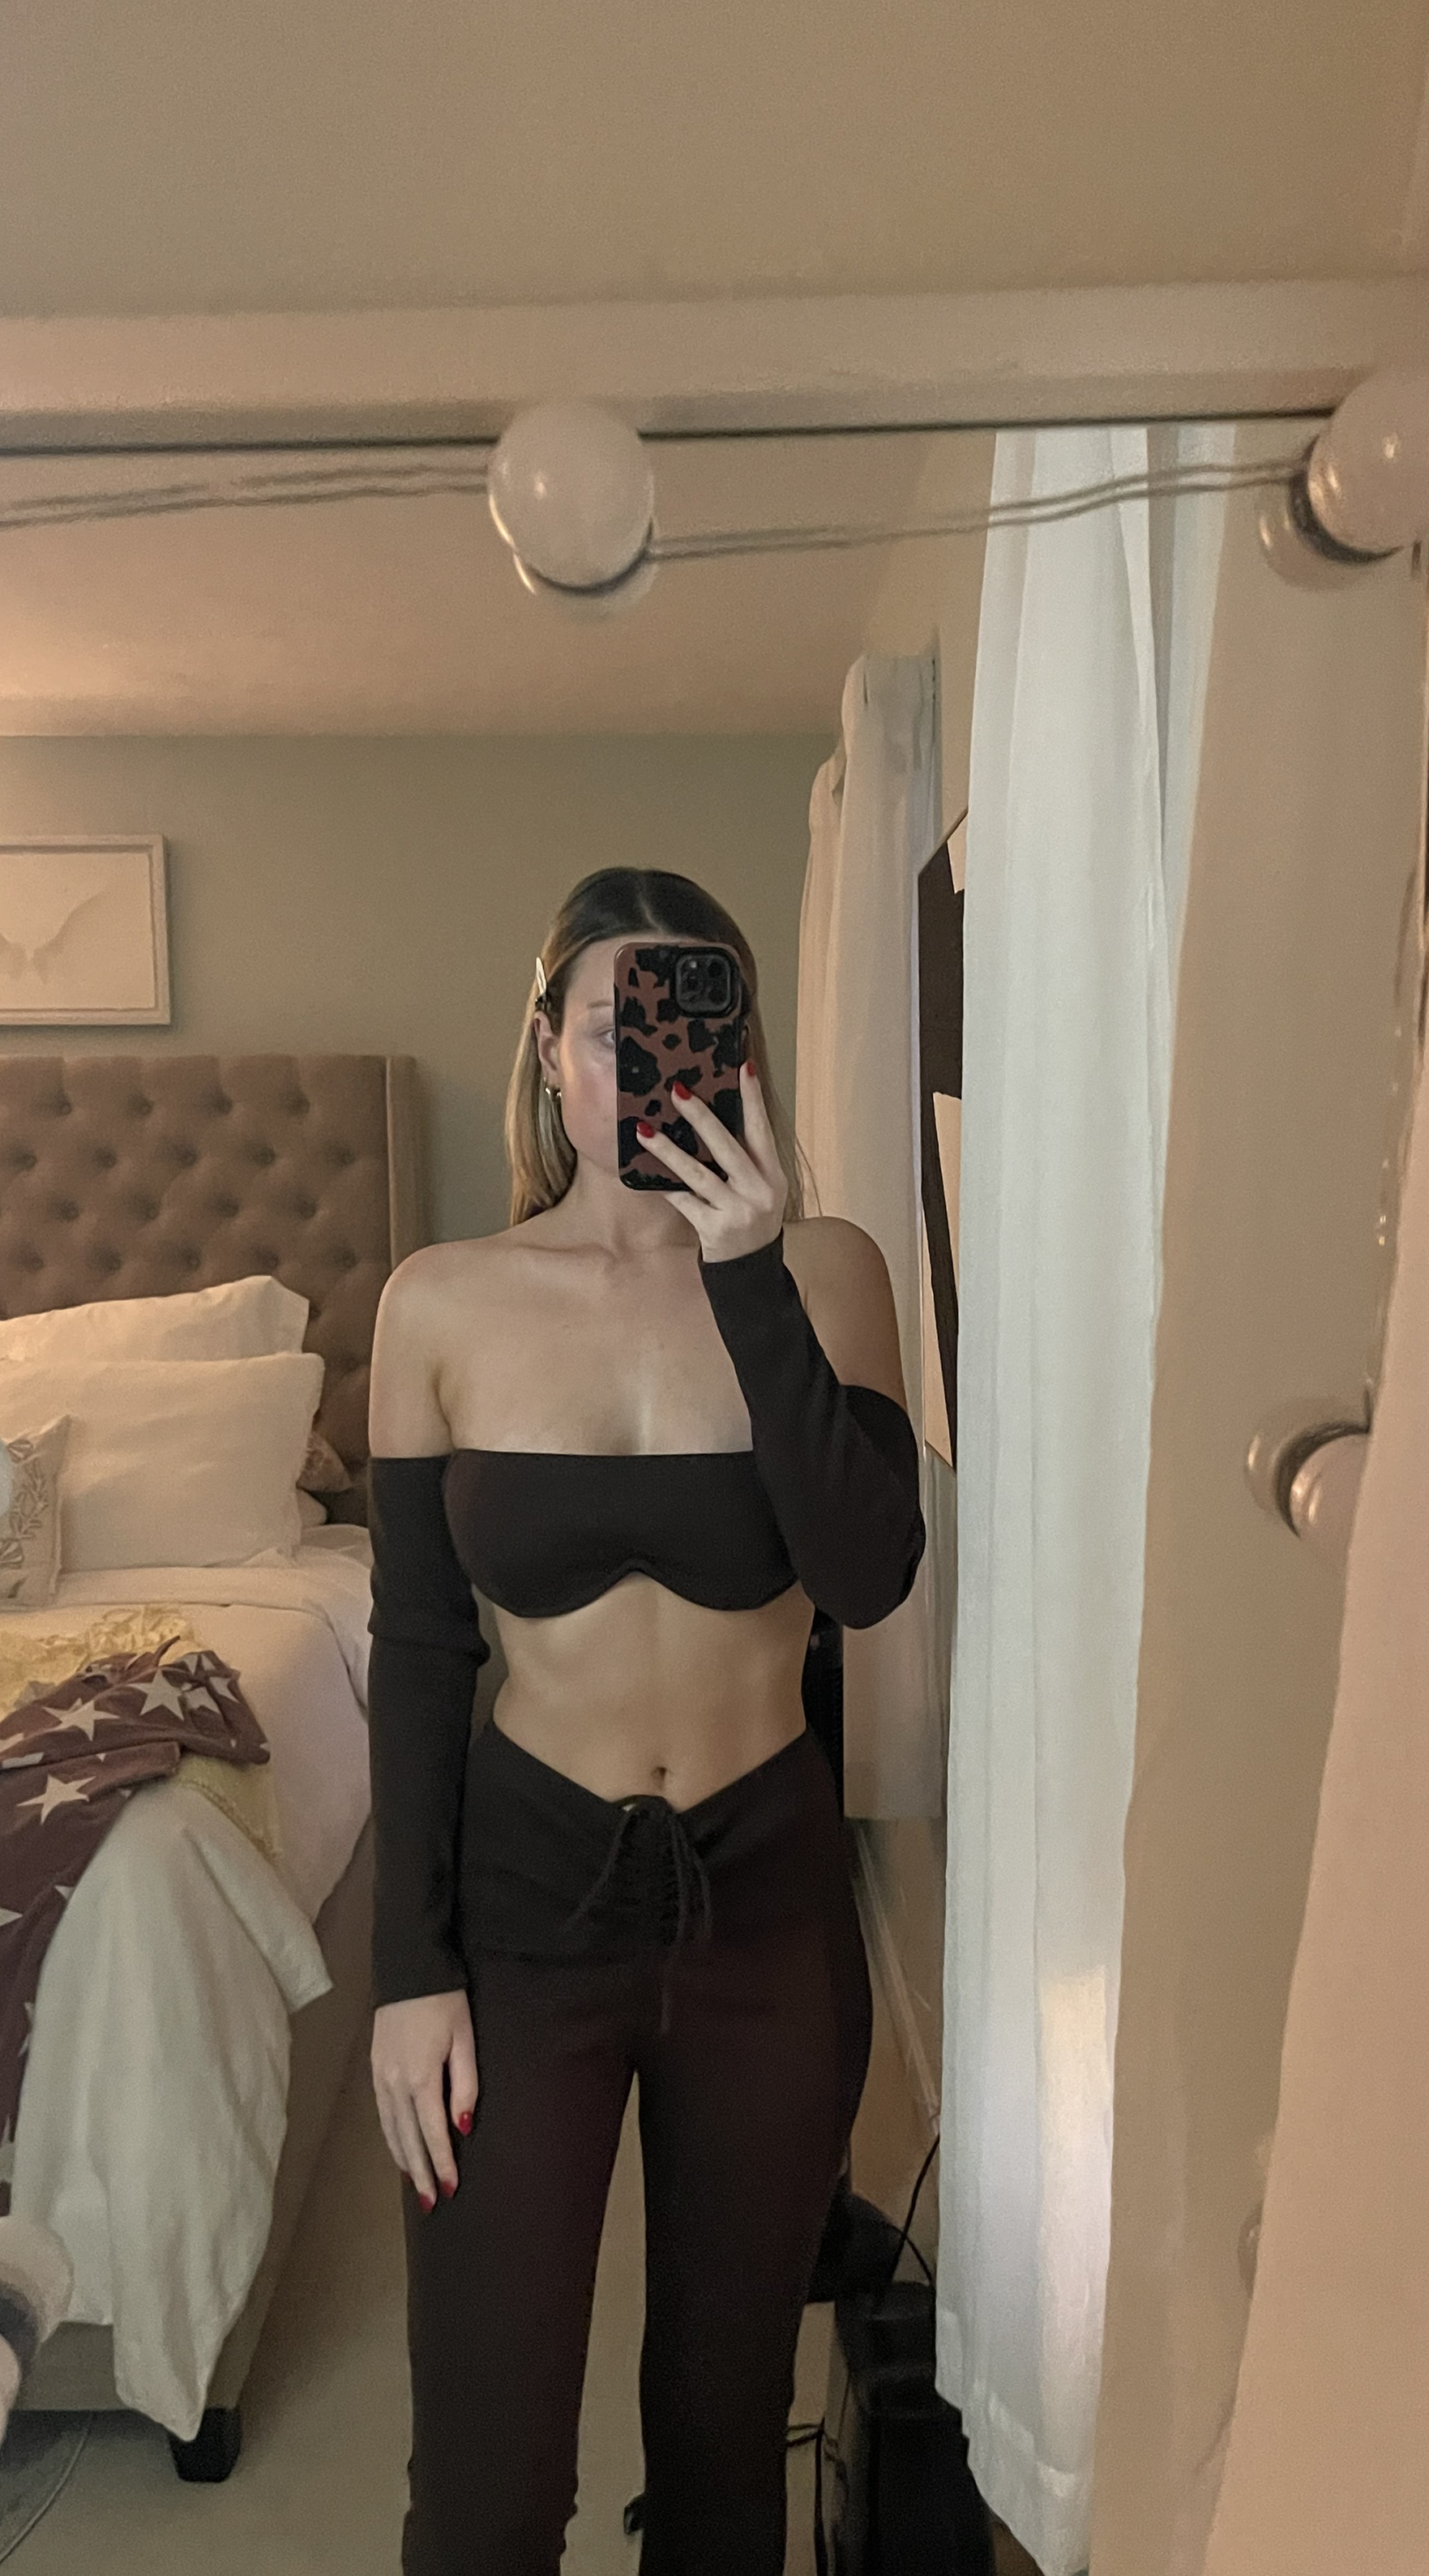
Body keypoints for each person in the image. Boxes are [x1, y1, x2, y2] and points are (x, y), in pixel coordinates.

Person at [366, 866, 925, 2574]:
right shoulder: (440, 1301)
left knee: (722, 2435)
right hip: (527, 1902)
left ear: (739, 1047)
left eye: (692, 1019)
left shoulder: (826, 1270)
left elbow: (869, 1575)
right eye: (614, 1026)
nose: (647, 1060)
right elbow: (419, 1647)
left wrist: (749, 1277)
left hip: (767, 1902)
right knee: (488, 2468)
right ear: (549, 1046)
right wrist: (407, 1971)